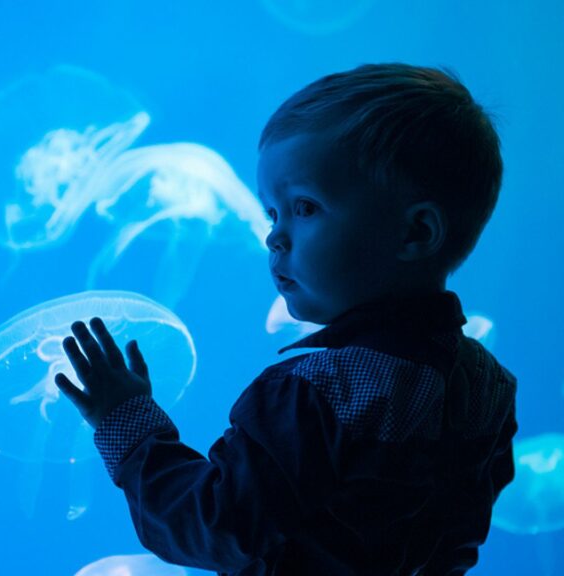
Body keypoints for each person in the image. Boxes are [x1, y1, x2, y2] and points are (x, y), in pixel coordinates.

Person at [54, 63, 518, 575]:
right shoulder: (487, 386)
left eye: (305, 208)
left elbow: (217, 524)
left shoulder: (316, 394)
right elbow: (459, 540)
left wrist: (130, 425)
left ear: (415, 234)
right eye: (272, 213)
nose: (273, 237)